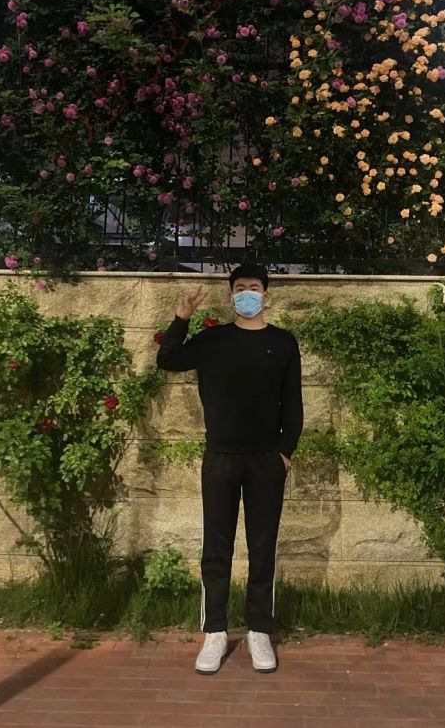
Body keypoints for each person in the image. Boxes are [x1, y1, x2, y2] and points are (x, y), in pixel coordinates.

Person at [156, 261, 304, 675]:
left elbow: (293, 403)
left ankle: (259, 630)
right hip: (220, 457)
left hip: (266, 460)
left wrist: (284, 453)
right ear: (231, 295)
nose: (247, 293)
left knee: (262, 546)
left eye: (254, 287)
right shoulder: (214, 340)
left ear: (266, 294)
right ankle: (215, 632)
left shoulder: (283, 342)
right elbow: (167, 360)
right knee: (216, 548)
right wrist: (181, 320)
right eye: (240, 288)